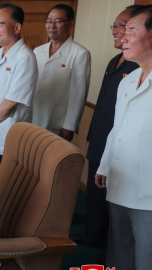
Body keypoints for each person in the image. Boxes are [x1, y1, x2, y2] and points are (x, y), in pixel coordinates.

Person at [73, 5, 140, 264]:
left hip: (120, 143)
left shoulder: (137, 64)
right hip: (101, 136)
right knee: (94, 192)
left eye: (123, 26)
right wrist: (90, 133)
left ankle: (107, 247)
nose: (116, 32)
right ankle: (92, 234)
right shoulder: (116, 61)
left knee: (113, 198)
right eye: (114, 26)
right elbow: (102, 102)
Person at [95, 5, 152, 269]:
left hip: (148, 194)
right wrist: (105, 164)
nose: (123, 38)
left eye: (131, 30)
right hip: (120, 183)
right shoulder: (128, 81)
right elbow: (117, 128)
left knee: (145, 258)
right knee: (119, 256)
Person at [0, 3, 38, 170]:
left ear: (17, 27)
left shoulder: (25, 57)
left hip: (3, 136)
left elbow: (12, 101)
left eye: (0, 25)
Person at [30, 4, 91, 141]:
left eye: (58, 21)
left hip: (56, 123)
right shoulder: (37, 51)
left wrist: (69, 125)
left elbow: (78, 93)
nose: (52, 25)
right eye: (49, 21)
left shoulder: (80, 54)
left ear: (71, 23)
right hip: (31, 117)